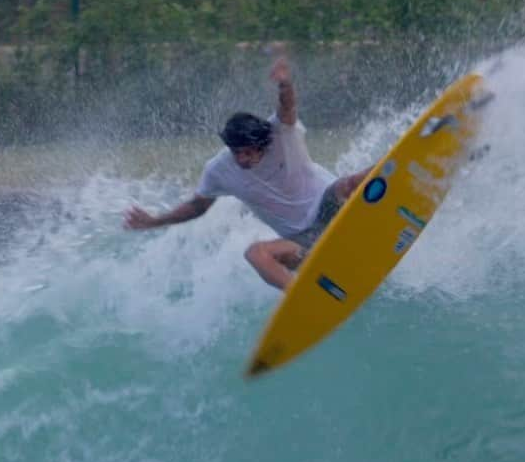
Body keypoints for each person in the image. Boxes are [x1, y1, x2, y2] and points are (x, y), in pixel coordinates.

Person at [124, 56, 370, 290]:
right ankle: (303, 294)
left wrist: (284, 83)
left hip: (332, 208)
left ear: (262, 144)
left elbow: (288, 107)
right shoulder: (219, 170)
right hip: (304, 241)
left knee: (348, 184)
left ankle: (399, 172)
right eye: (236, 152)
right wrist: (155, 221)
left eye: (248, 152)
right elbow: (197, 207)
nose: (241, 158)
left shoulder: (280, 134)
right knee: (256, 254)